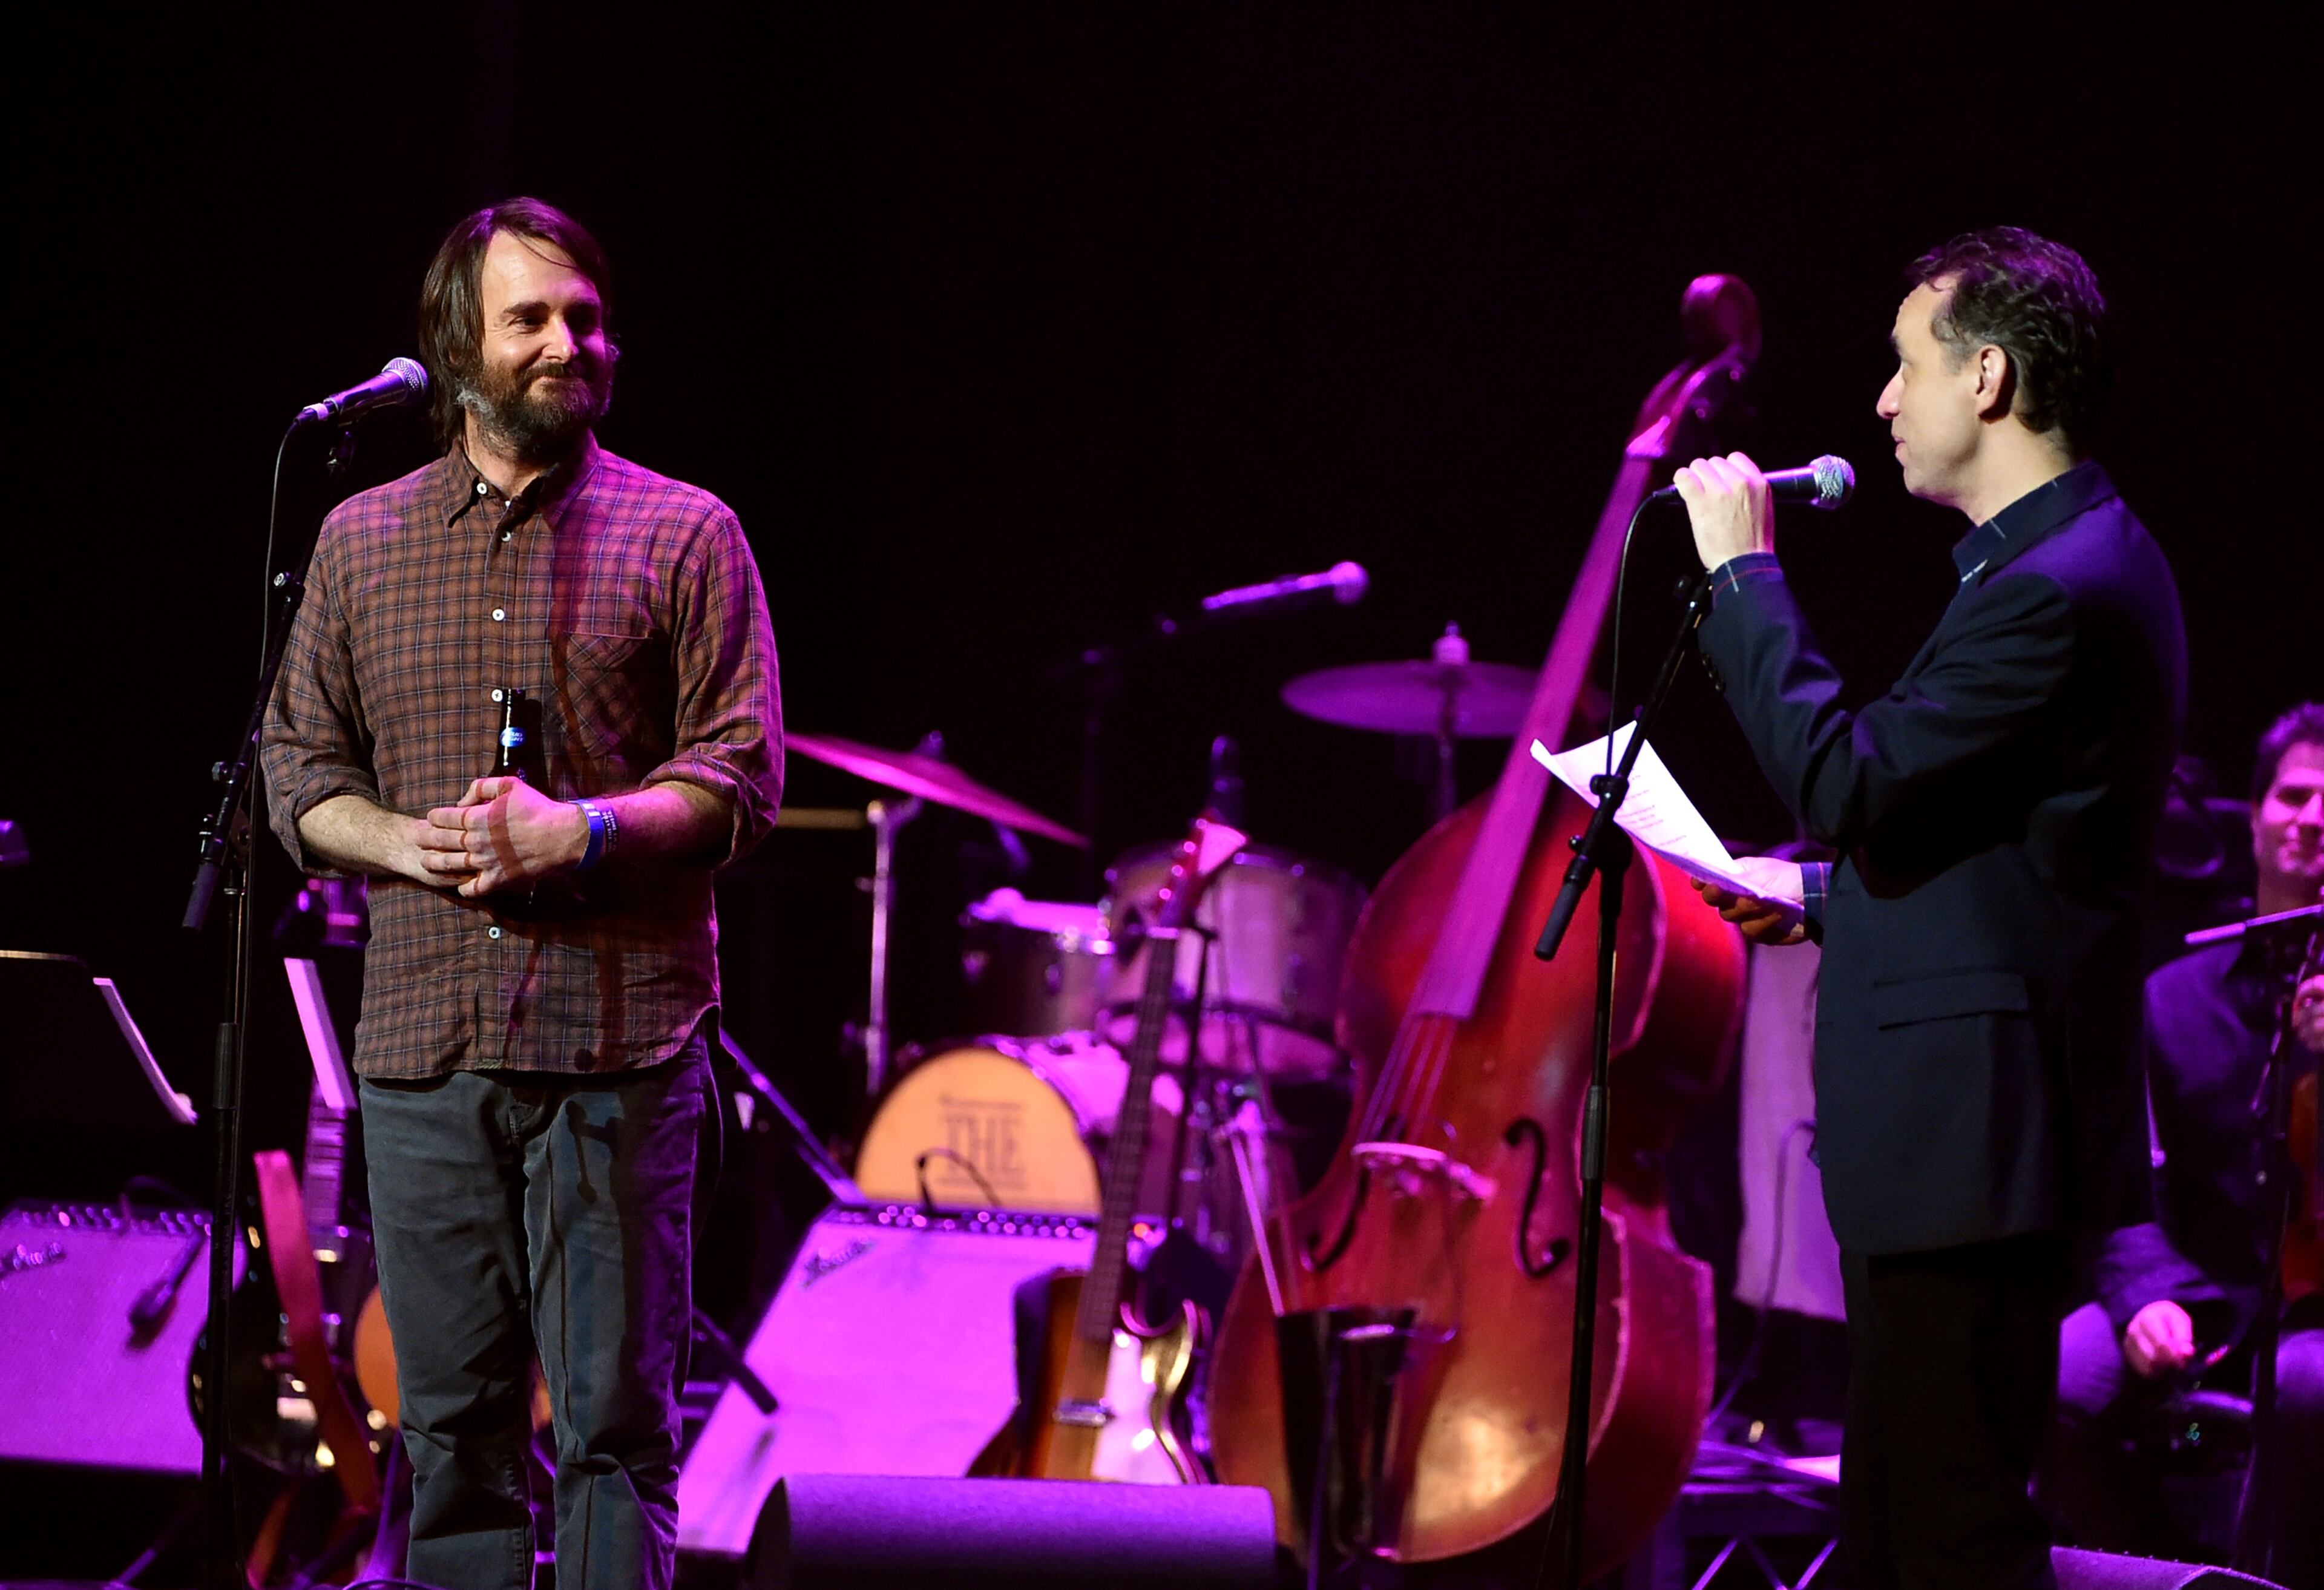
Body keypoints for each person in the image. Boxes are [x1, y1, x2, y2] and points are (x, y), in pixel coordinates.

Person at [261, 197, 781, 1588]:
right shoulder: (361, 542)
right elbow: (298, 775)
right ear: (458, 345)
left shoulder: (688, 533)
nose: (570, 344)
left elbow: (739, 781)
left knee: (615, 1437)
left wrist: (581, 834)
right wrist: (403, 841)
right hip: (426, 1052)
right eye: (532, 320)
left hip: (621, 1047)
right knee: (450, 1442)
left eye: (587, 320)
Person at [1672, 227, 2187, 1588]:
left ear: (1991, 380)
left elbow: (1850, 778)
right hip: (1954, 1147)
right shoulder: (2053, 568)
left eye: (1907, 367)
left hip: (1977, 1145)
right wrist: (1828, 896)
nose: (1886, 401)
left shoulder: (2057, 590)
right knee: (1899, 1538)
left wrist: (1741, 577)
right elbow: (2001, 852)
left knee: (1953, 1545)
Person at [2050, 703, 2324, 1586]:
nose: (2311, 818)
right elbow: (2123, 1178)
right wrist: (2143, 1298)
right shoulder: (2174, 996)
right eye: (2292, 795)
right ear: (2253, 815)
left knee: (2304, 1391)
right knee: (2051, 1378)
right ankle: (2155, 1571)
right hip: (2203, 1296)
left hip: (2314, 1309)